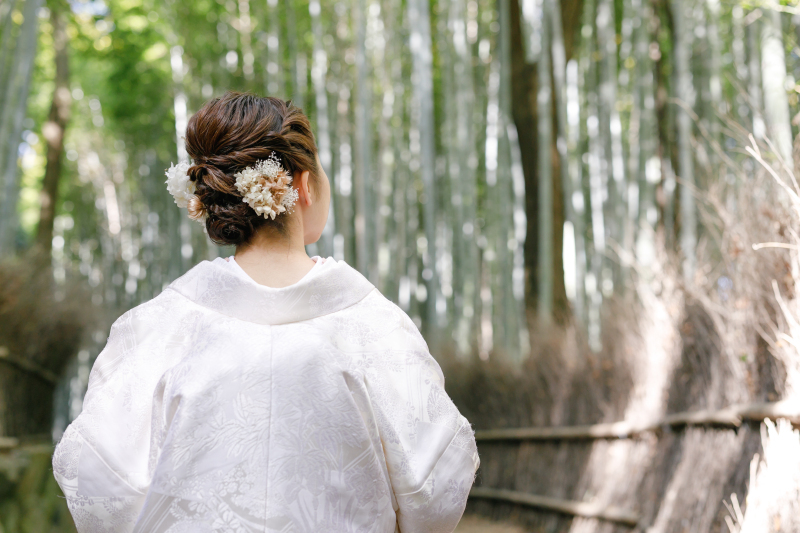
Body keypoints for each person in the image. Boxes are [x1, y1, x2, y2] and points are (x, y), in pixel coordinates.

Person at [52, 92, 479, 533]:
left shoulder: (158, 328)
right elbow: (435, 490)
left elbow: (100, 486)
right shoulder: (376, 327)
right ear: (303, 183)